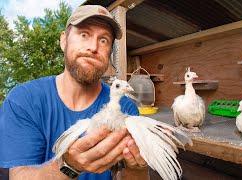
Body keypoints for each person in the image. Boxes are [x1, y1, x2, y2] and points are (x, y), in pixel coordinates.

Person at [0, 5, 147, 180]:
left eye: (104, 40)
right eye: (84, 34)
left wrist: (137, 168)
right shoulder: (24, 100)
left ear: (109, 53)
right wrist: (69, 166)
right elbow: (18, 177)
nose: (93, 47)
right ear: (64, 40)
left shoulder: (126, 107)